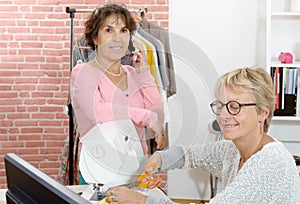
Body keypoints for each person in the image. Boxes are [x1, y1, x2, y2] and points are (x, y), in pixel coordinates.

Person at [105, 67, 300, 203]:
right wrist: (158, 159)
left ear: (263, 112)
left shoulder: (269, 163)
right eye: (220, 105)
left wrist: (140, 201)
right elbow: (190, 155)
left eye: (234, 106)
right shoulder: (233, 150)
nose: (223, 116)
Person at [70, 3, 166, 183]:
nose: (118, 38)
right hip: (101, 167)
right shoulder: (83, 72)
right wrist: (146, 116)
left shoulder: (133, 73)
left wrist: (144, 72)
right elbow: (97, 112)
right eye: (109, 30)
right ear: (95, 38)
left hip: (137, 167)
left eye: (123, 31)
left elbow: (157, 113)